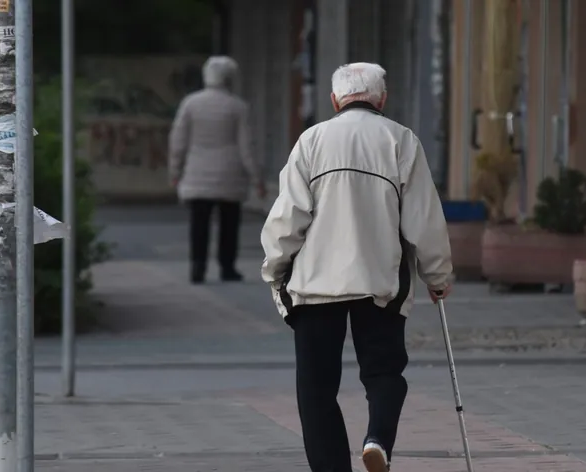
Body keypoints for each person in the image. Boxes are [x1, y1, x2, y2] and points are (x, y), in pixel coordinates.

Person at [260, 62, 453, 472]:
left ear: (334, 100)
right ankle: (377, 440)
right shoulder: (401, 140)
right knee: (383, 371)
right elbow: (423, 218)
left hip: (315, 285)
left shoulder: (311, 141)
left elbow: (288, 216)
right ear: (382, 99)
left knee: (316, 387)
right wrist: (438, 276)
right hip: (380, 279)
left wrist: (275, 268)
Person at [169, 55, 266, 284]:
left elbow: (178, 141)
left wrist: (175, 171)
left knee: (199, 224)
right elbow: (246, 146)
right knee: (229, 224)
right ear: (229, 78)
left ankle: (197, 267)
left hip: (197, 171)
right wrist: (256, 178)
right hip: (229, 173)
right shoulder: (237, 106)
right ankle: (227, 266)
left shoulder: (190, 104)